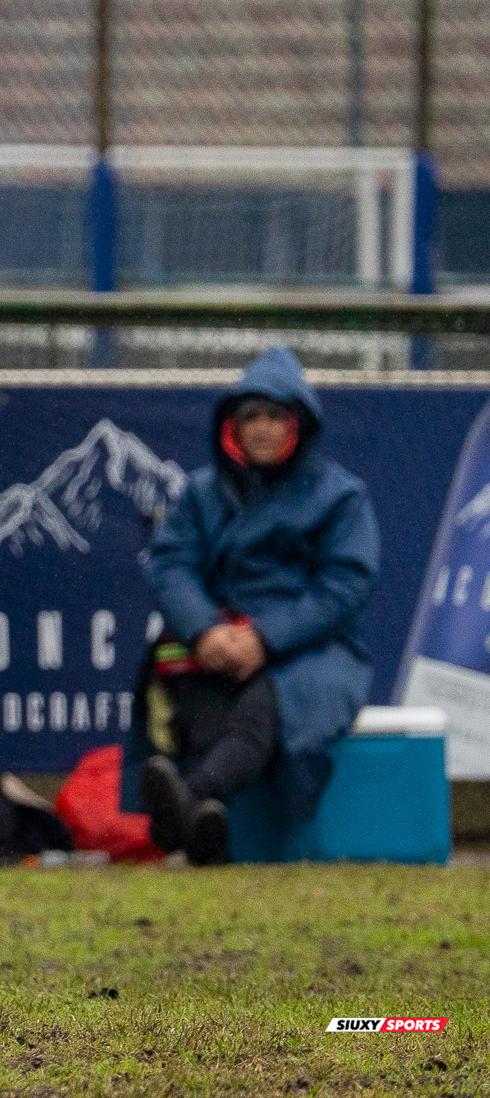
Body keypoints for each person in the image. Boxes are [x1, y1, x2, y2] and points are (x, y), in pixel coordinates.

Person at [130, 346, 380, 865]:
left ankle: (190, 799)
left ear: (299, 425)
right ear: (232, 426)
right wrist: (205, 632)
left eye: (275, 416)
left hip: (309, 652)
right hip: (216, 642)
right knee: (201, 700)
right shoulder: (201, 494)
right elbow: (172, 564)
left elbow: (345, 584)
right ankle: (205, 826)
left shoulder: (340, 496)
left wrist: (264, 638)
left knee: (265, 704)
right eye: (252, 416)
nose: (263, 428)